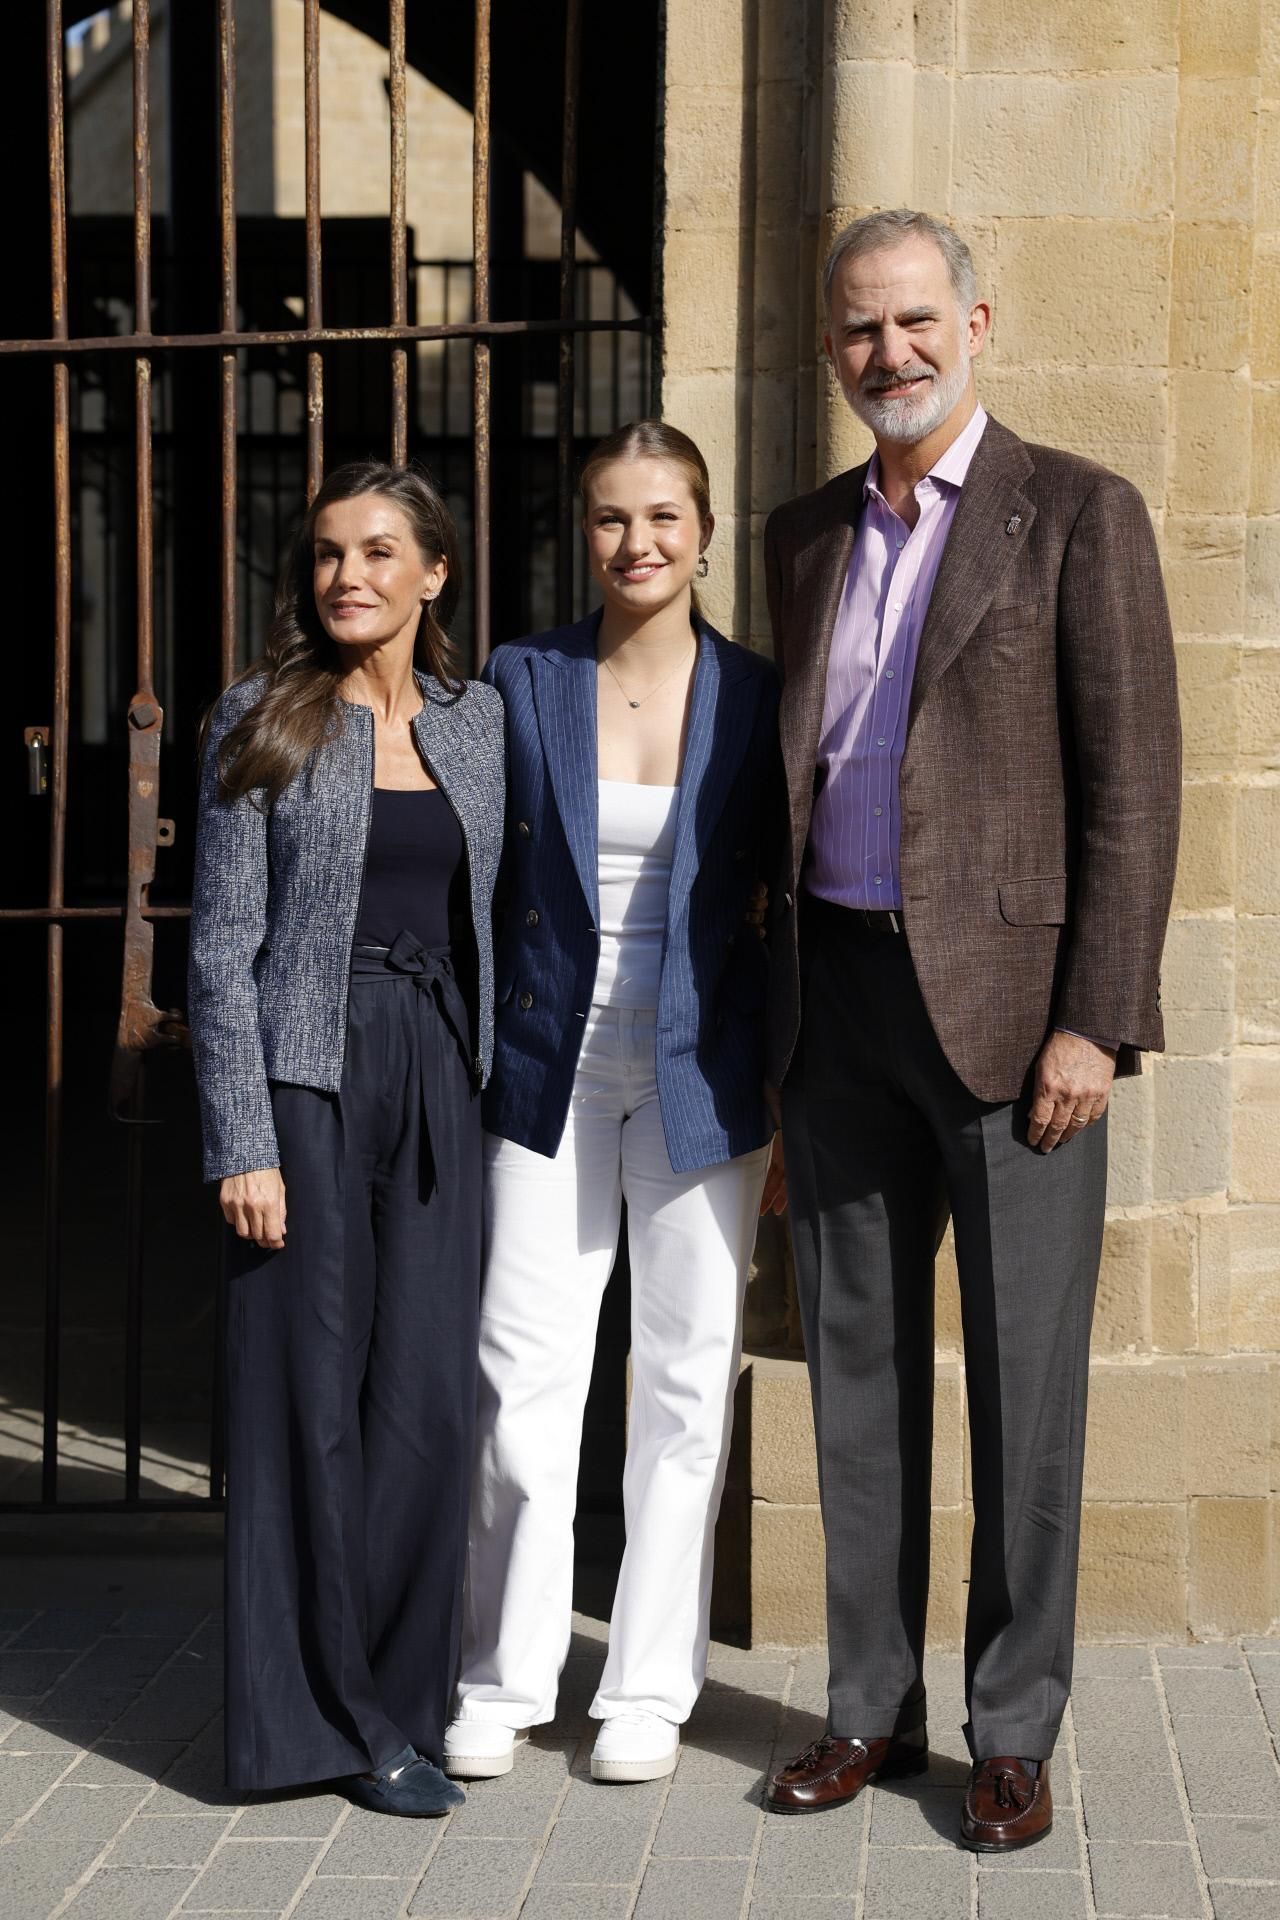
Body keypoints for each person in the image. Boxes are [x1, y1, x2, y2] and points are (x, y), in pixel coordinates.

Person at [761, 211, 1181, 1848]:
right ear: (832, 346)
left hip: (1019, 1031)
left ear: (979, 322)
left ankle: (1014, 1726)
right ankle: (869, 1705)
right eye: (863, 330)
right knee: (852, 1375)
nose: (894, 354)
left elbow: (1135, 791)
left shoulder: (1075, 512)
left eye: (919, 322)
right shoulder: (802, 536)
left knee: (1026, 1389)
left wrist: (1098, 1022)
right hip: (842, 1003)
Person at [441, 420, 785, 1787]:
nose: (636, 542)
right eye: (607, 519)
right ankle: (503, 1674)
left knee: (686, 1380)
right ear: (581, 535)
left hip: (706, 1071)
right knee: (522, 1375)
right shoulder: (523, 680)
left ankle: (647, 1686)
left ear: (702, 530)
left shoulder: (759, 693)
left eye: (662, 517)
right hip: (548, 1068)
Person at [188, 460, 505, 1816]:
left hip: (441, 1075)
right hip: (305, 1077)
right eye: (327, 553)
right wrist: (239, 1140)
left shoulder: (478, 721)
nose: (348, 576)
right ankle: (322, 1722)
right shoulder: (259, 719)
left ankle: (403, 1697)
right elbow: (216, 948)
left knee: (426, 1403)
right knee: (301, 1404)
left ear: (434, 573)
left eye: (380, 551)